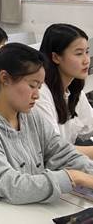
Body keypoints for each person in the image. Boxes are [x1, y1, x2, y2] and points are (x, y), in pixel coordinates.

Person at [0, 43, 93, 217]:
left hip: (23, 205)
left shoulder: (29, 114)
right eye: (32, 85)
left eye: (39, 87)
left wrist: (89, 171)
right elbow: (5, 186)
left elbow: (61, 152)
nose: (37, 95)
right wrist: (72, 177)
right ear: (5, 78)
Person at [36, 24, 93, 158]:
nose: (86, 60)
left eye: (87, 52)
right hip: (52, 166)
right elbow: (54, 151)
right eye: (79, 54)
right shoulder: (40, 94)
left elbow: (90, 125)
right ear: (55, 57)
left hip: (69, 162)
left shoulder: (74, 89)